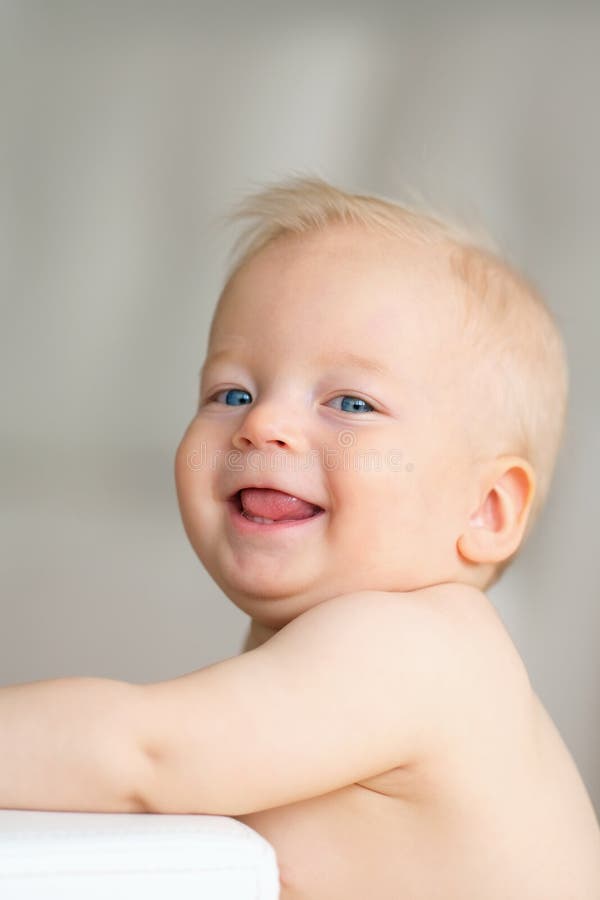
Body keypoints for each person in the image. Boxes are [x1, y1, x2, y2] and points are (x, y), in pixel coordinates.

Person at [2, 176, 599, 898]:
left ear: (488, 510)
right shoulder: (324, 657)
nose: (263, 424)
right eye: (233, 393)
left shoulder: (421, 651)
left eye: (351, 403)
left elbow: (145, 758)